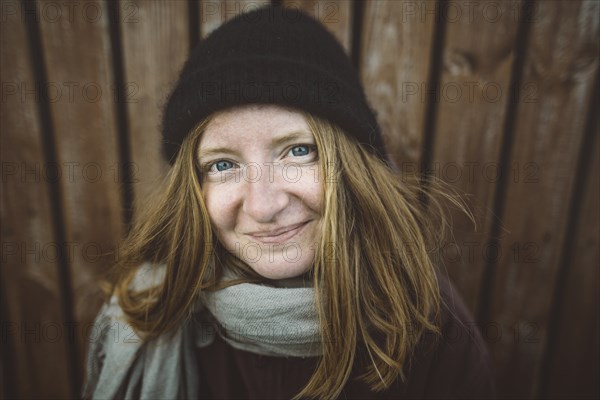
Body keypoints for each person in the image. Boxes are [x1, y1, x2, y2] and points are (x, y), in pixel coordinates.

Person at [84, 5, 496, 400]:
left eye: (298, 151)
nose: (264, 206)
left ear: (351, 167)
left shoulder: (430, 322)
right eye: (223, 164)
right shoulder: (156, 308)